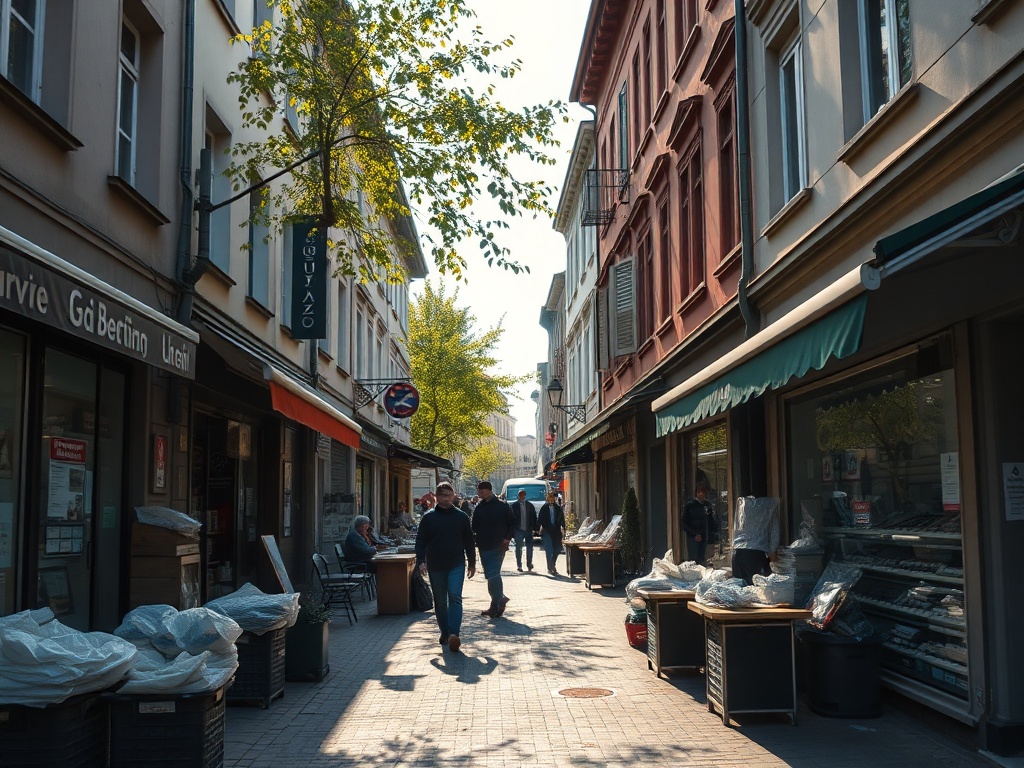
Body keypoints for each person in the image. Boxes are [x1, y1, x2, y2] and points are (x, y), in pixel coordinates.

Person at [415, 482, 475, 652]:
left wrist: (472, 563)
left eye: (448, 495)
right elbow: (421, 540)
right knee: (440, 602)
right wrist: (421, 561)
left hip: (456, 563)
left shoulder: (461, 517)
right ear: (436, 496)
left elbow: (469, 541)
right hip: (435, 565)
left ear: (453, 496)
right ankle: (445, 631)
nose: (445, 499)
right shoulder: (429, 517)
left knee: (455, 596)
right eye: (441, 495)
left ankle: (454, 634)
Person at [471, 480, 515, 617]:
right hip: (483, 545)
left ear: (489, 490)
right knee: (490, 575)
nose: (479, 494)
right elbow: (474, 525)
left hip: (498, 545)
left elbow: (512, 523)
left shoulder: (502, 505)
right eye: (478, 491)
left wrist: (507, 538)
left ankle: (499, 600)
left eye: (481, 491)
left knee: (493, 573)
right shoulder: (480, 506)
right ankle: (496, 603)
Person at [731, 497, 781, 585]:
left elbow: (737, 529)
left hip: (739, 551)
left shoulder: (742, 504)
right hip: (756, 553)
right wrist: (773, 550)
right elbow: (774, 531)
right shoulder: (769, 506)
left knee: (739, 587)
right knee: (758, 588)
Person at [681, 475, 717, 565]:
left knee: (703, 559)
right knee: (694, 560)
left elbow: (710, 520)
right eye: (700, 492)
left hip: (704, 536)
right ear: (696, 493)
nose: (702, 495)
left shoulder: (707, 504)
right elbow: (684, 522)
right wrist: (694, 534)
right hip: (693, 537)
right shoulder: (690, 505)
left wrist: (714, 532)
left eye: (704, 493)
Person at [537, 491, 565, 575]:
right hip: (547, 531)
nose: (551, 499)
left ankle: (553, 563)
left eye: (552, 497)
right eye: (549, 497)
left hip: (556, 531)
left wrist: (563, 528)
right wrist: (540, 528)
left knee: (557, 548)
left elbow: (562, 519)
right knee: (549, 550)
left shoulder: (557, 508)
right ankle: (550, 567)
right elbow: (540, 520)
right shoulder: (544, 508)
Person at [510, 489, 538, 572]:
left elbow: (534, 517)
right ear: (518, 496)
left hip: (528, 529)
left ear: (525, 496)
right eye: (520, 495)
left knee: (530, 548)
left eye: (523, 495)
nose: (522, 497)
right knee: (518, 548)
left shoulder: (530, 505)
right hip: (518, 530)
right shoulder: (514, 506)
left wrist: (535, 528)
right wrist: (512, 530)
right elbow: (511, 518)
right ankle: (519, 565)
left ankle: (529, 564)